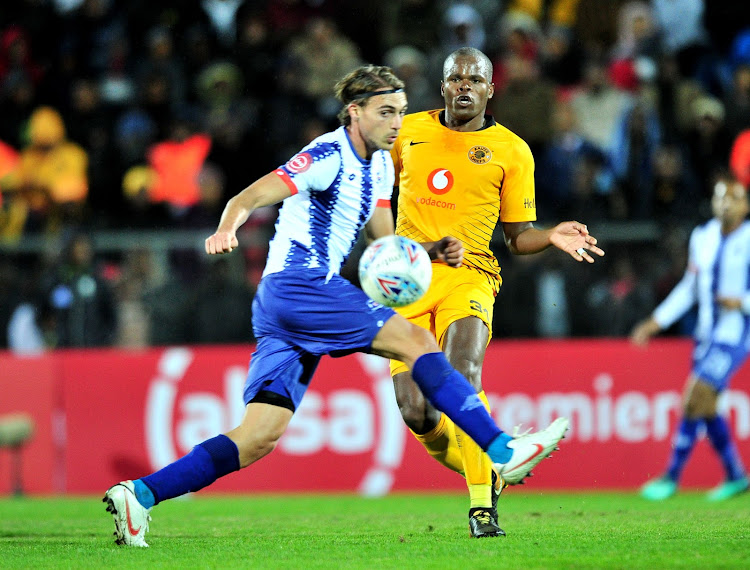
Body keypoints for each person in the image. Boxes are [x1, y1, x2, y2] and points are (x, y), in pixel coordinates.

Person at [102, 64, 570, 547]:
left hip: (284, 310)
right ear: (355, 112)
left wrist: (426, 253)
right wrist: (228, 226)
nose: (397, 123)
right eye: (386, 112)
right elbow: (252, 194)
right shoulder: (327, 153)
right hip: (300, 286)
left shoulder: (384, 164)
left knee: (259, 435)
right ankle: (502, 449)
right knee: (416, 341)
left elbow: (384, 243)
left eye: (402, 112)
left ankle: (140, 495)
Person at [389, 47, 605, 539]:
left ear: (490, 88)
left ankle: (481, 507)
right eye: (455, 77)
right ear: (442, 86)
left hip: (470, 276)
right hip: (407, 281)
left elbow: (516, 237)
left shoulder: (512, 150)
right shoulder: (407, 133)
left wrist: (549, 236)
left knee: (461, 372)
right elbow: (376, 200)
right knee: (416, 411)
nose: (464, 85)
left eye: (475, 78)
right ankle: (491, 469)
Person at [633, 172, 750, 501]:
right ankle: (736, 475)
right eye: (720, 197)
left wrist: (741, 302)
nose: (726, 204)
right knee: (707, 405)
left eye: (734, 198)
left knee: (692, 398)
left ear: (745, 205)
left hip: (735, 332)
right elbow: (690, 288)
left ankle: (671, 477)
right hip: (706, 333)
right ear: (712, 202)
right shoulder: (703, 236)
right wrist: (656, 321)